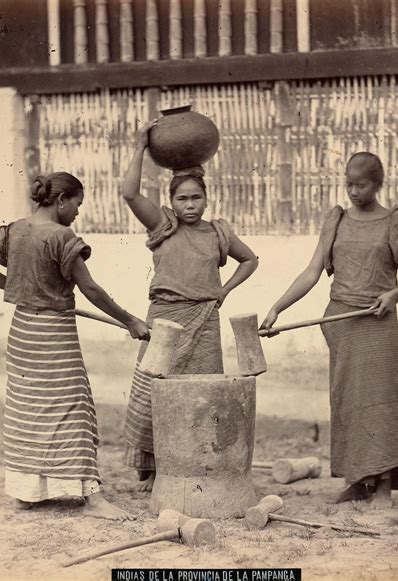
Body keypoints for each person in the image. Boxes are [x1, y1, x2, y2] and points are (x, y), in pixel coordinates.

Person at [260, 152, 398, 508]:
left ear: (378, 184)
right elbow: (312, 271)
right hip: (340, 322)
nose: (354, 192)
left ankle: (384, 488)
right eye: (349, 184)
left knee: (381, 404)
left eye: (362, 185)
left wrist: (395, 294)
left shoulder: (395, 222)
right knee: (348, 403)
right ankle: (357, 482)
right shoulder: (337, 221)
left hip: (377, 323)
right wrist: (277, 308)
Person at [0, 172, 150, 520]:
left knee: (29, 412)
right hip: (53, 334)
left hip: (22, 333)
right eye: (77, 205)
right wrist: (131, 320)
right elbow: (92, 290)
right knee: (73, 409)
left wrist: (23, 287)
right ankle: (93, 501)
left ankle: (27, 494)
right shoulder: (61, 235)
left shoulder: (13, 230)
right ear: (62, 200)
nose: (77, 214)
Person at [121, 121, 259, 491]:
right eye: (182, 199)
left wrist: (224, 290)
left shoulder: (218, 233)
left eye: (196, 198)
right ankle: (151, 470)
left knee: (202, 396)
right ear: (171, 202)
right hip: (165, 319)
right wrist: (139, 147)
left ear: (207, 199)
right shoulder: (161, 225)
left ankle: (197, 466)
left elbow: (249, 260)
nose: (190, 205)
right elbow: (129, 193)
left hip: (205, 321)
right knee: (154, 391)